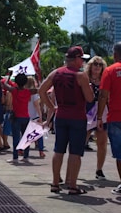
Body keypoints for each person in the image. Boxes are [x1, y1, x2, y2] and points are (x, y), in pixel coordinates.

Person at [39, 46, 93, 195]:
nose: (82, 62)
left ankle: (55, 183)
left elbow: (41, 90)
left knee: (59, 150)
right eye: (81, 59)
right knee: (75, 152)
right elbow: (89, 98)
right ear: (76, 59)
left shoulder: (56, 73)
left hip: (61, 116)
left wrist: (52, 107)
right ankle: (73, 186)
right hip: (77, 117)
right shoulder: (81, 76)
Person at [97, 42, 121, 195]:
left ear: (115, 54)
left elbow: (103, 95)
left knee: (120, 154)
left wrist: (99, 116)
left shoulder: (110, 71)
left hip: (115, 117)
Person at [3, 72, 37, 163]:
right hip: (26, 117)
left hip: (16, 117)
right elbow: (39, 89)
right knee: (26, 138)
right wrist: (37, 77)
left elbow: (5, 85)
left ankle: (15, 157)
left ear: (16, 82)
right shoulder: (28, 92)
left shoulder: (14, 91)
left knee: (16, 138)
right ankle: (26, 157)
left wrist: (8, 76)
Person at [84, 56, 108, 180]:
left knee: (102, 142)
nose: (98, 66)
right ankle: (73, 168)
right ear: (91, 65)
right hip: (87, 112)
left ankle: (99, 169)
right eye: (95, 64)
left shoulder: (105, 78)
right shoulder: (84, 78)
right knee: (81, 141)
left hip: (103, 112)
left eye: (100, 64)